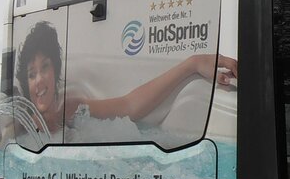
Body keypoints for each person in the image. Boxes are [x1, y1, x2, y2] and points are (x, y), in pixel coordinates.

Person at [14, 20, 238, 138]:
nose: (40, 80)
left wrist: (193, 64)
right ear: (25, 82)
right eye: (32, 74)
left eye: (45, 67)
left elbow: (130, 106)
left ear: (56, 70)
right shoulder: (21, 126)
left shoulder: (70, 110)